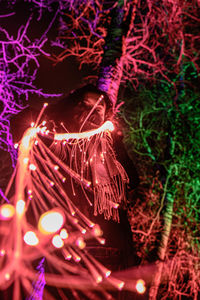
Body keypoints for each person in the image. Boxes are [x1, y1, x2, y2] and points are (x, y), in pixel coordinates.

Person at [7, 83, 139, 299]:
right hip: (71, 255)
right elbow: (20, 121)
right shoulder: (56, 146)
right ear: (71, 107)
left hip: (114, 255)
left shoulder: (109, 151)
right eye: (83, 105)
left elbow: (132, 181)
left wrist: (114, 139)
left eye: (98, 109)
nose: (90, 112)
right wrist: (58, 113)